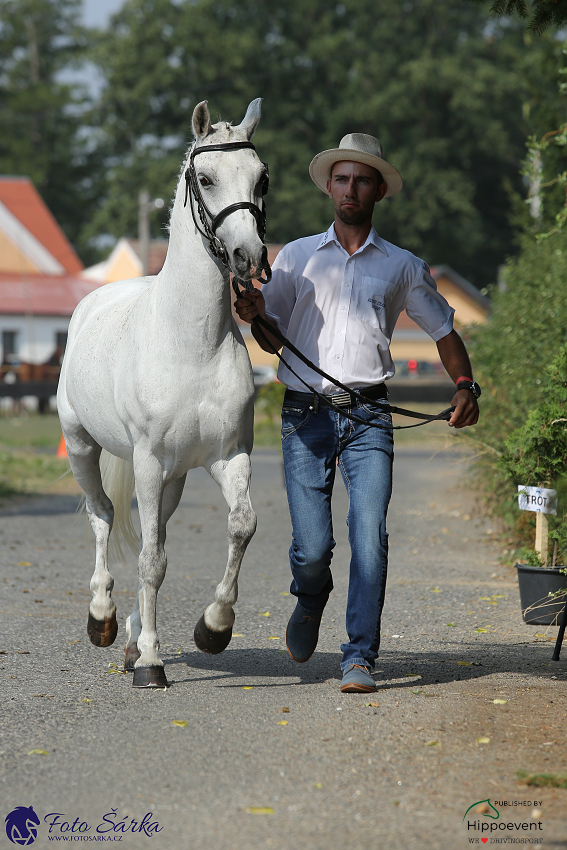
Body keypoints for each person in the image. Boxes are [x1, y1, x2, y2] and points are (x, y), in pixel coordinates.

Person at [235, 133, 480, 693]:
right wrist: (254, 314)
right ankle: (310, 595)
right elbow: (272, 338)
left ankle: (359, 657)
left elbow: (444, 330)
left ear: (378, 191)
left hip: (370, 417)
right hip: (304, 418)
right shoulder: (296, 258)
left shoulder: (401, 267)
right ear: (329, 187)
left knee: (369, 533)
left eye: (362, 180)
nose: (351, 189)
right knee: (312, 547)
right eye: (342, 179)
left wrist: (466, 384)